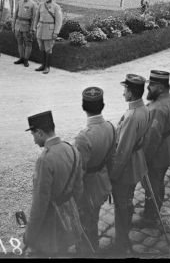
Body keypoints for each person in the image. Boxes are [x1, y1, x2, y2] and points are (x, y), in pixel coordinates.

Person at [23, 111, 84, 257]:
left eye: (33, 135)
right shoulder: (72, 149)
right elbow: (79, 188)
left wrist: (29, 236)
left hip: (53, 222)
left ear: (39, 132)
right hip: (70, 213)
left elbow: (40, 203)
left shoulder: (45, 160)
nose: (34, 140)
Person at [108, 74, 151, 255]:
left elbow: (123, 151)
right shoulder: (144, 109)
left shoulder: (132, 115)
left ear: (131, 93)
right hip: (136, 162)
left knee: (122, 205)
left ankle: (121, 243)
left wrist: (113, 175)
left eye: (125, 89)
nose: (123, 93)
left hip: (127, 168)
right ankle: (123, 239)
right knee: (126, 202)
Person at [133, 70, 170, 229]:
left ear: (160, 87)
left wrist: (144, 160)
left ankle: (150, 217)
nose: (148, 89)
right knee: (158, 181)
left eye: (151, 86)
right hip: (169, 146)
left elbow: (152, 138)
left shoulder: (157, 108)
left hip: (159, 152)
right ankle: (153, 210)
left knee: (152, 183)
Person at [73, 87, 116, 254]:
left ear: (83, 107)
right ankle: (93, 247)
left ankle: (87, 251)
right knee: (93, 218)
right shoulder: (110, 127)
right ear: (102, 105)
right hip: (102, 182)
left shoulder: (83, 137)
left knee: (85, 222)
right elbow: (112, 157)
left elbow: (79, 171)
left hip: (87, 188)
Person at [33, 0, 63, 74]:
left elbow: (59, 21)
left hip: (50, 30)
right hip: (40, 29)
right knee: (41, 48)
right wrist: (34, 27)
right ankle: (42, 65)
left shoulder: (56, 7)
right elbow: (36, 17)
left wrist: (56, 32)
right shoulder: (41, 5)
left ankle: (47, 67)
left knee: (48, 49)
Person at [13, 0, 36, 68]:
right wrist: (13, 25)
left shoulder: (33, 4)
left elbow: (34, 18)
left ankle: (26, 59)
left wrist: (32, 28)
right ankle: (21, 58)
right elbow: (15, 14)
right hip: (18, 25)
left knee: (28, 43)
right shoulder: (19, 2)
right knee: (19, 42)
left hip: (27, 26)